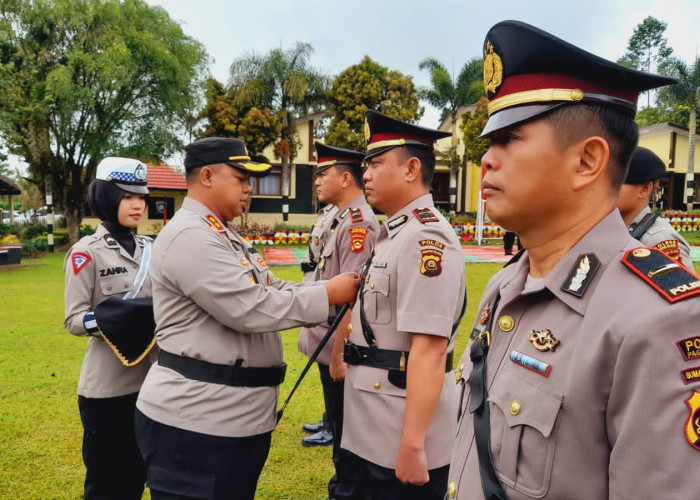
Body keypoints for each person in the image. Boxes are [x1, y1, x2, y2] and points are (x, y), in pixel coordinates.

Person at [447, 20, 700, 500]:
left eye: (510, 140)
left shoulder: (658, 319)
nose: (487, 161)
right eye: (489, 142)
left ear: (587, 161)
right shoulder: (507, 287)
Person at [133, 137, 360, 500]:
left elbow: (271, 286)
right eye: (240, 178)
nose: (248, 188)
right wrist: (327, 294)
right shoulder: (192, 236)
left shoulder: (221, 234)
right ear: (207, 176)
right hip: (197, 425)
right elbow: (250, 306)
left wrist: (323, 289)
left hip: (226, 420)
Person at [335, 110, 467, 500]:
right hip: (371, 421)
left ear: (411, 169)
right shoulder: (394, 233)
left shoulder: (427, 238)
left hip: (398, 431)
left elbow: (430, 347)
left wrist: (413, 444)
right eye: (366, 166)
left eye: (376, 164)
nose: (367, 176)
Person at [63, 156, 154, 499]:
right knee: (106, 482)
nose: (137, 204)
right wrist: (118, 319)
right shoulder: (86, 253)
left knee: (139, 475)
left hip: (151, 383)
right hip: (108, 389)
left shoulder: (151, 249)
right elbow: (73, 320)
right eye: (127, 196)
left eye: (141, 197)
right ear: (106, 197)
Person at [297, 141, 379, 492]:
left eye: (323, 173)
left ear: (346, 178)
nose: (317, 180)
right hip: (326, 335)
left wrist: (339, 354)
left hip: (339, 341)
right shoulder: (341, 216)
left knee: (347, 432)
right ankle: (344, 483)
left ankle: (347, 488)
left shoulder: (359, 224)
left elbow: (352, 299)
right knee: (339, 422)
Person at [298, 199, 339, 443]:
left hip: (332, 304)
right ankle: (328, 418)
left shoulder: (349, 217)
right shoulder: (328, 212)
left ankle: (333, 426)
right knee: (324, 371)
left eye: (325, 175)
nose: (319, 182)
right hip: (318, 293)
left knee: (331, 372)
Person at [618, 146, 693, 268]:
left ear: (644, 189)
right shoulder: (616, 229)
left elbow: (679, 286)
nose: (605, 189)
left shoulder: (658, 240)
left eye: (616, 182)